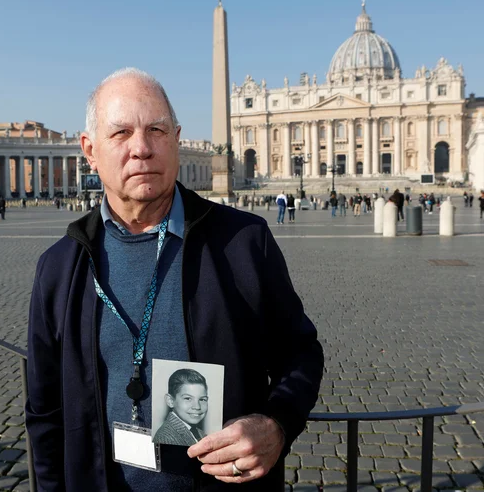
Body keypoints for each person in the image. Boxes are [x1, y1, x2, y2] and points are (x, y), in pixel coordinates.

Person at [25, 68, 324, 491]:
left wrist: (277, 423)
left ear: (177, 140)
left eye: (157, 130)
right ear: (90, 151)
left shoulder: (243, 242)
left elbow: (301, 353)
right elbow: (44, 413)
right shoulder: (58, 267)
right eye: (121, 133)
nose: (142, 148)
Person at [153, 369, 208, 446]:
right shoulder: (166, 437)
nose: (197, 407)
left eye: (202, 399)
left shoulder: (199, 433)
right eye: (188, 398)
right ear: (170, 401)